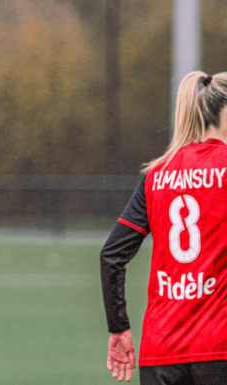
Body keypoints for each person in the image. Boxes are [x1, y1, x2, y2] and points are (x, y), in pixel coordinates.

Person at [101, 71, 227, 384]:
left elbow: (111, 255)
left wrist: (118, 328)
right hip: (218, 346)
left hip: (161, 349)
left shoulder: (158, 173)